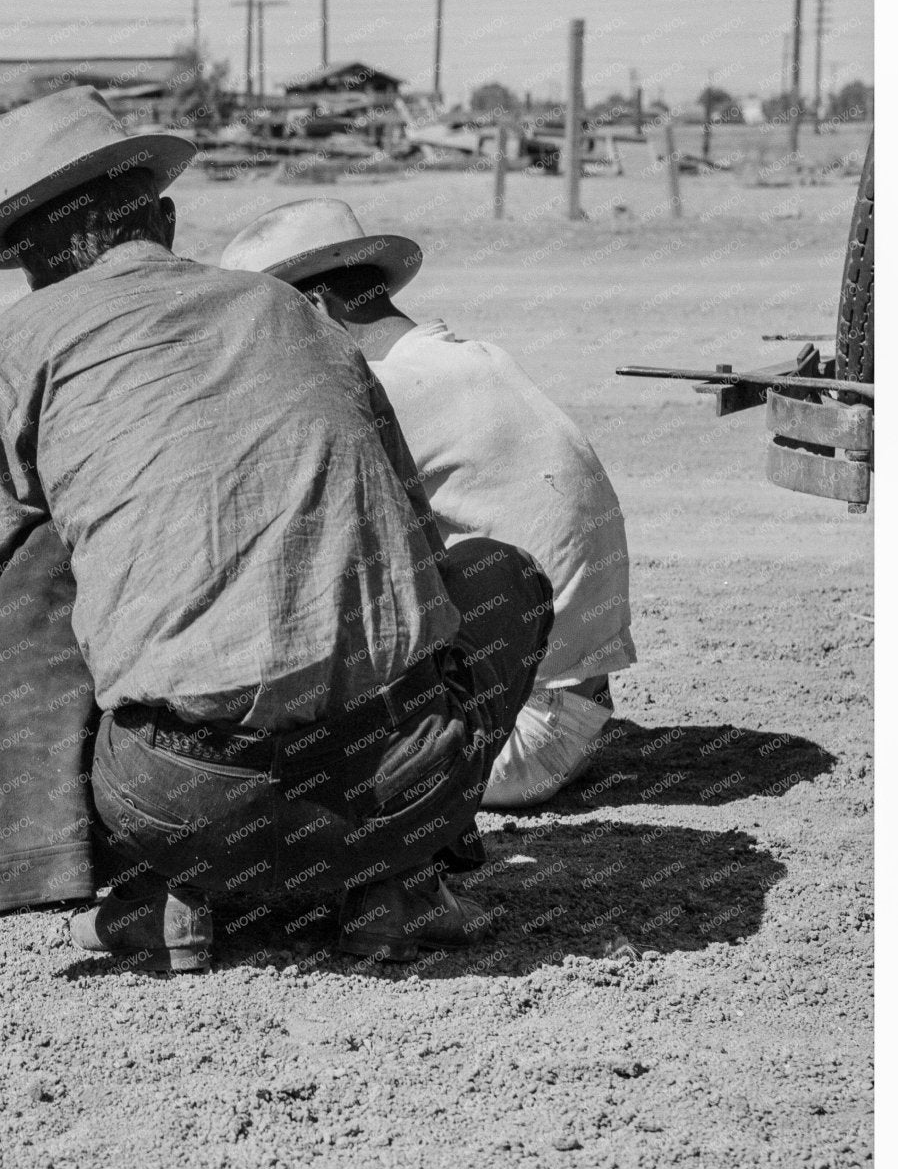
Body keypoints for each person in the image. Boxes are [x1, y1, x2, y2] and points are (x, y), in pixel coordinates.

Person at [0, 88, 553, 969]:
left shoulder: (14, 348)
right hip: (403, 782)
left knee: (43, 566)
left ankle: (164, 892)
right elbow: (412, 543)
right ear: (164, 216)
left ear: (25, 260)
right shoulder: (291, 313)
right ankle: (401, 884)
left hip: (181, 806)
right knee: (500, 575)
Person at [215, 198, 634, 807]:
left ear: (315, 306)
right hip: (566, 710)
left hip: (521, 740)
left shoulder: (393, 390)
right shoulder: (466, 361)